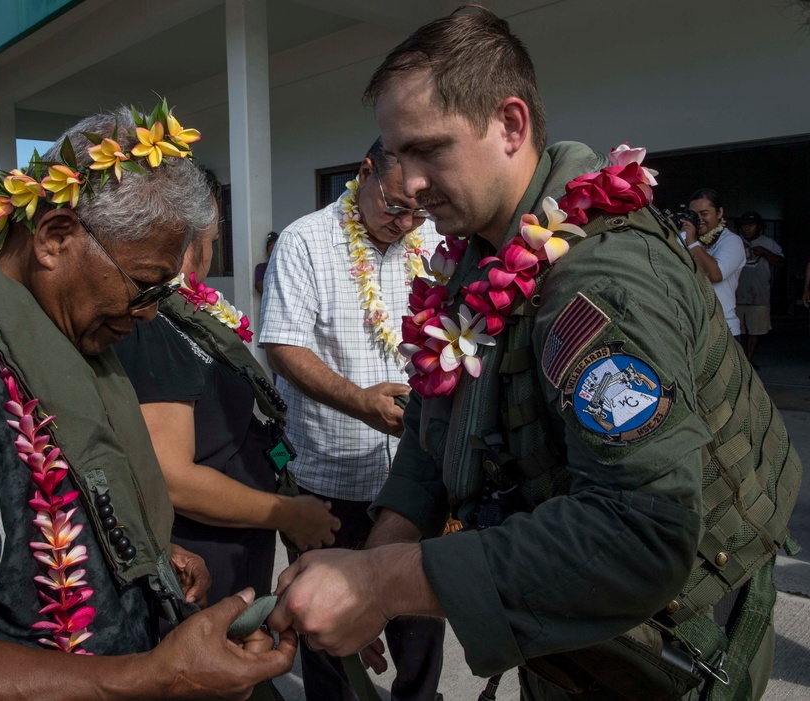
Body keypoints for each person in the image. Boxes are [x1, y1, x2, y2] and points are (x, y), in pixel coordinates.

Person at [267, 9, 801, 701]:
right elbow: (436, 438)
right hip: (577, 635)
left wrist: (381, 581)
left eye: (428, 150)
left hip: (667, 651)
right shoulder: (478, 261)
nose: (409, 182)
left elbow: (639, 534)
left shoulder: (602, 285)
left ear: (511, 125)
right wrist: (369, 569)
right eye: (397, 155)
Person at [0, 104, 295, 701]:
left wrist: (147, 559)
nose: (150, 311)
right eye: (144, 283)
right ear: (55, 237)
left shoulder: (64, 341)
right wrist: (148, 678)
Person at [260, 137, 445, 701]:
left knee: (419, 632)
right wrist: (361, 401)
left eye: (421, 210)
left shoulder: (434, 242)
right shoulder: (306, 241)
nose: (407, 222)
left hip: (414, 480)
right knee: (329, 634)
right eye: (396, 206)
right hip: (331, 480)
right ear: (366, 173)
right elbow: (283, 347)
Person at [113, 206, 340, 608]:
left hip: (234, 543)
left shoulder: (183, 315)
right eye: (212, 241)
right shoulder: (152, 324)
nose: (211, 252)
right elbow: (173, 477)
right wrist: (288, 514)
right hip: (201, 553)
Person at [680, 189, 746, 340]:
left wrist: (691, 242)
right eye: (693, 214)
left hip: (722, 328)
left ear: (719, 213)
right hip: (689, 329)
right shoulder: (682, 238)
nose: (699, 219)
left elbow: (716, 274)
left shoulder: (732, 241)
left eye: (704, 213)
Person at [734, 211, 784, 364]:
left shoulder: (768, 243)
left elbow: (780, 263)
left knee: (755, 331)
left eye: (751, 225)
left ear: (759, 227)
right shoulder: (734, 242)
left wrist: (764, 251)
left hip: (759, 294)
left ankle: (748, 360)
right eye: (744, 226)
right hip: (737, 295)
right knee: (737, 331)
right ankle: (740, 361)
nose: (746, 229)